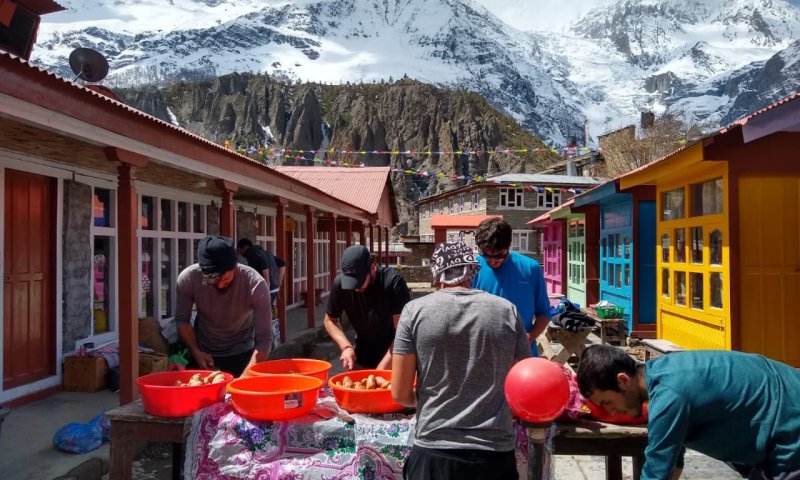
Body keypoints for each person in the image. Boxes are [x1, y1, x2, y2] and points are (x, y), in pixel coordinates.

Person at [392, 241, 530, 479]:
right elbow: (522, 384)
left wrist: (429, 400)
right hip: (494, 453)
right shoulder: (507, 310)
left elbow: (400, 392)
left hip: (434, 450)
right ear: (472, 270)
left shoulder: (414, 312)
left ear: (437, 275)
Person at [577, 344, 800, 480]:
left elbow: (657, 471)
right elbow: (672, 460)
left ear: (623, 380)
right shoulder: (662, 372)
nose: (611, 411)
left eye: (607, 402)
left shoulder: (669, 397)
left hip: (790, 430)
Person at [175, 235, 272, 377]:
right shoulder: (189, 279)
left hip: (242, 354)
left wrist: (246, 376)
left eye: (226, 279)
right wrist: (195, 351)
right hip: (202, 352)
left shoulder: (255, 284)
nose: (220, 285)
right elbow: (182, 320)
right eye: (212, 281)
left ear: (235, 267)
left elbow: (265, 338)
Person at [324, 245, 411, 370]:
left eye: (359, 281)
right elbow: (330, 320)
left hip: (395, 357)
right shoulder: (340, 284)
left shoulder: (392, 282)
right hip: (362, 356)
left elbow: (403, 333)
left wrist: (380, 370)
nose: (356, 287)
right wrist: (346, 347)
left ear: (372, 268)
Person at [472, 217, 550, 355]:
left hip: (520, 351)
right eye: (486, 256)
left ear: (509, 245)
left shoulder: (530, 268)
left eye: (499, 256)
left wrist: (530, 337)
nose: (493, 262)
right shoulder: (472, 268)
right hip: (483, 353)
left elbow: (544, 313)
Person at [237, 238, 285, 306]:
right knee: (267, 311)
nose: (240, 253)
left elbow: (263, 266)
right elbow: (282, 263)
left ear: (244, 247)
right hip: (274, 288)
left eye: (240, 250)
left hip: (266, 289)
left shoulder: (251, 253)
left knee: (261, 312)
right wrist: (278, 284)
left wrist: (267, 287)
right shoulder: (265, 252)